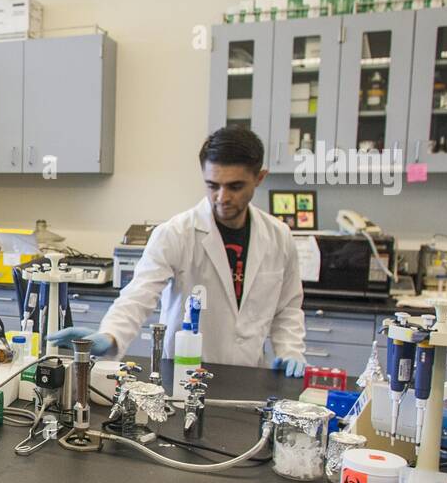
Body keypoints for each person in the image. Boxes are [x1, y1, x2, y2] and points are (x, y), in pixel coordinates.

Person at [52, 126, 307, 375]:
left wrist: (290, 352)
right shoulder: (176, 233)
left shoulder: (278, 236)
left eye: (235, 187)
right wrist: (111, 335)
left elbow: (287, 308)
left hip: (249, 376)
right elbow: (139, 294)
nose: (221, 197)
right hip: (184, 373)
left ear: (259, 178)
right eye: (213, 185)